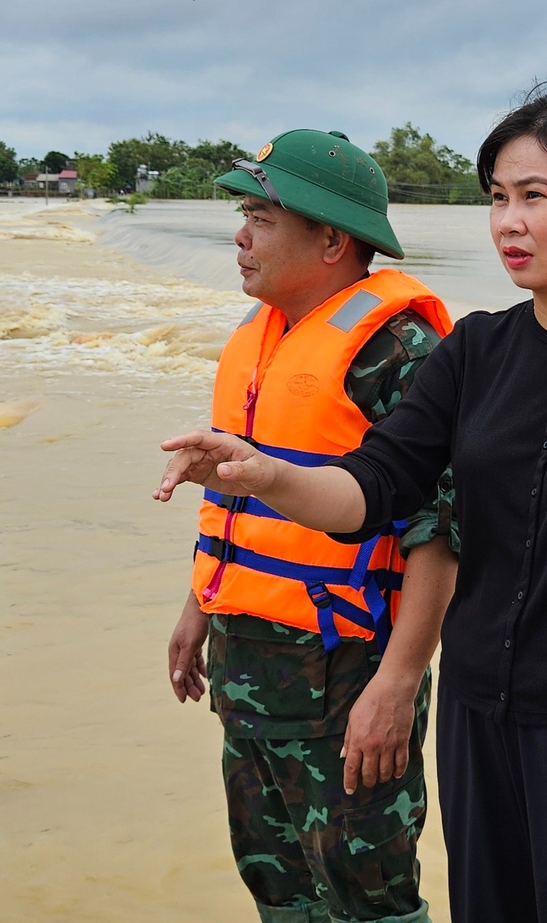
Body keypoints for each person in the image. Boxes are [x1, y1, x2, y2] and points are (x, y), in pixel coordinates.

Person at [157, 90, 547, 923]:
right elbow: (372, 488)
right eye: (497, 199)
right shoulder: (477, 349)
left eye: (533, 196)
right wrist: (261, 475)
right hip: (480, 731)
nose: (507, 221)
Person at [163, 129, 460, 923]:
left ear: (332, 239)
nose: (239, 235)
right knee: (280, 893)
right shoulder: (258, 342)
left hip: (348, 684)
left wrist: (397, 686)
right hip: (248, 672)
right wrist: (199, 608)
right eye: (244, 214)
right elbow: (242, 501)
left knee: (371, 904)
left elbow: (442, 534)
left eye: (261, 216)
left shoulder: (399, 352)